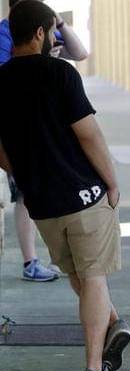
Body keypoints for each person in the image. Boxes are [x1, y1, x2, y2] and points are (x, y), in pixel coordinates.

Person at [0, 0, 130, 371]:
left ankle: (113, 323)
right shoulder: (60, 73)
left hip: (42, 203)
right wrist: (111, 182)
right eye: (53, 32)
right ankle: (94, 369)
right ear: (40, 33)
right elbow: (88, 134)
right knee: (93, 276)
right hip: (83, 195)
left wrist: (22, 174)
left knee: (79, 274)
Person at [1, 0, 88, 282]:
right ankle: (31, 262)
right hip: (22, 129)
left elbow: (80, 53)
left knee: (49, 190)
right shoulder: (5, 34)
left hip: (49, 125)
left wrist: (59, 23)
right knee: (26, 194)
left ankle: (57, 258)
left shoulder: (44, 28)